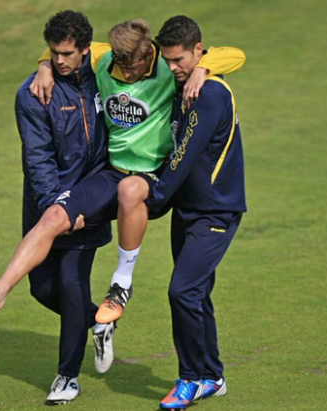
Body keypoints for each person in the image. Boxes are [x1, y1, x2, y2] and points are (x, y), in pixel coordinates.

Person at [0, 19, 243, 329]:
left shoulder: (169, 68)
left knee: (129, 189)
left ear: (149, 56)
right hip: (111, 172)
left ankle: (121, 283)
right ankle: (1, 288)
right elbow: (66, 50)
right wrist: (44, 64)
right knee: (53, 215)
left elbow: (236, 55)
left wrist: (202, 69)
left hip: (153, 174)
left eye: (134, 68)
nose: (126, 74)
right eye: (120, 66)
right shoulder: (104, 57)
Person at [0, 10, 115, 405]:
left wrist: (78, 210)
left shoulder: (105, 73)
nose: (60, 60)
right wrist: (58, 211)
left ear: (86, 50)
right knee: (42, 288)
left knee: (71, 283)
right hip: (47, 203)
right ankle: (98, 320)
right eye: (53, 53)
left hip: (93, 196)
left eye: (68, 53)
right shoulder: (33, 93)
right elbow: (38, 160)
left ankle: (67, 377)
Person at [120, 15, 247, 409]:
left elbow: (185, 154)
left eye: (181, 61)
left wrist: (154, 200)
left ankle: (190, 378)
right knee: (198, 294)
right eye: (168, 61)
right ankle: (212, 375)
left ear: (198, 50)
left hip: (215, 212)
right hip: (189, 210)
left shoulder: (208, 94)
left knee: (182, 291)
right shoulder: (184, 80)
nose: (173, 68)